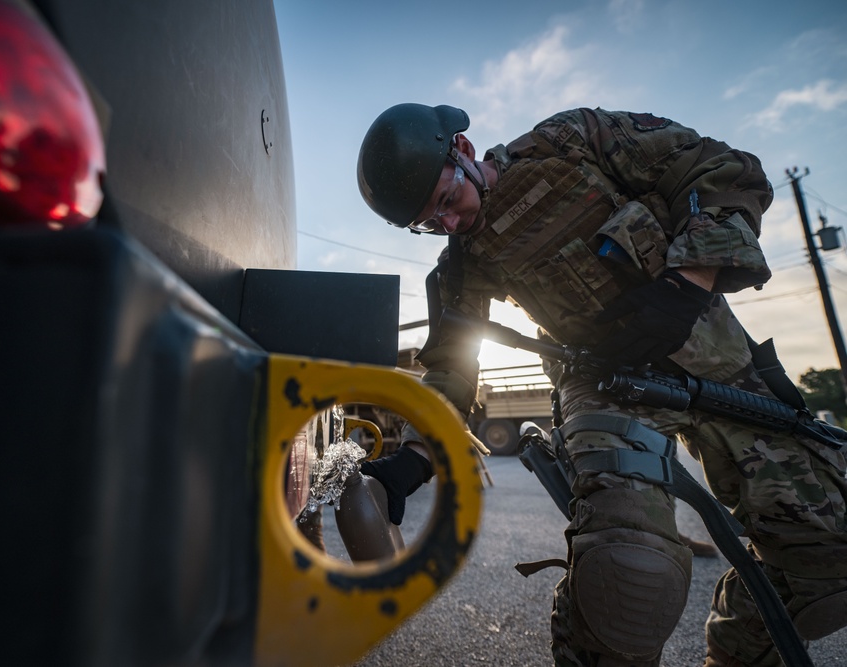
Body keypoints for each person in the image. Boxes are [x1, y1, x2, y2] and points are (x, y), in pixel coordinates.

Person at [356, 104, 847, 666]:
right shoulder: (463, 263)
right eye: (428, 224)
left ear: (462, 152)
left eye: (446, 202)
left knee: (827, 558)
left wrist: (686, 286)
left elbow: (718, 169)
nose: (448, 225)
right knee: (630, 572)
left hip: (717, 361)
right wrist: (413, 461)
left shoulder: (574, 140)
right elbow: (452, 367)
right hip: (606, 385)